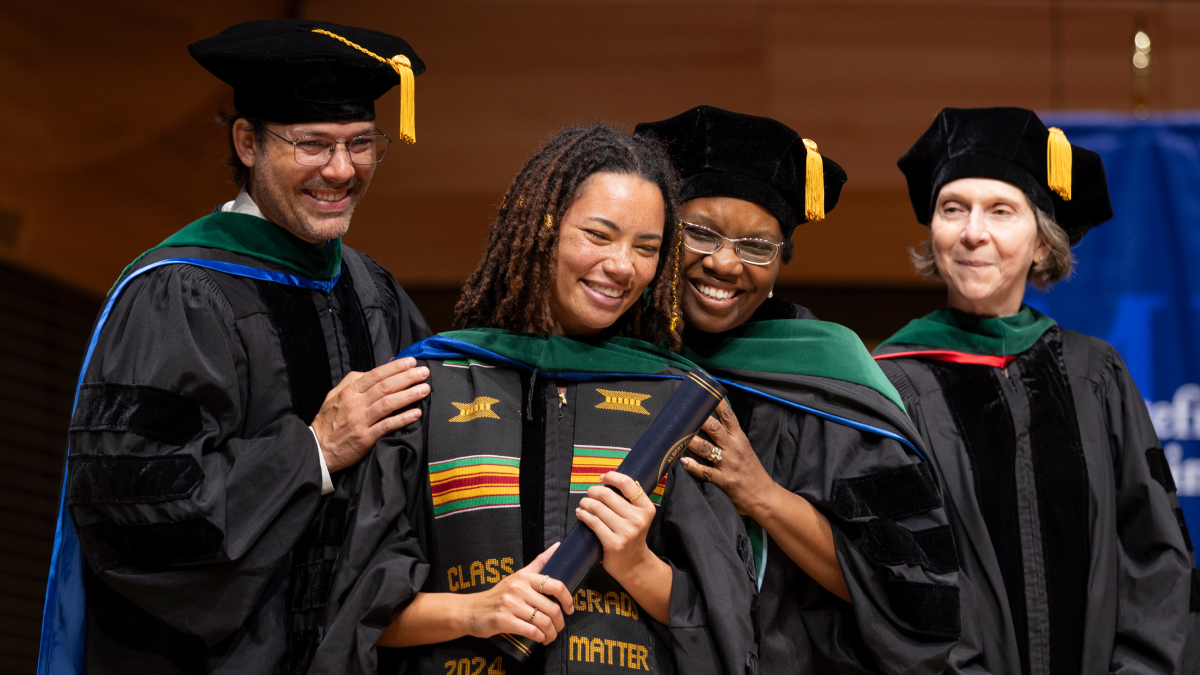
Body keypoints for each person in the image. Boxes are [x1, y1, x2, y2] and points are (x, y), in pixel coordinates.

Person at [38, 19, 435, 675]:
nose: (342, 170)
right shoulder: (177, 293)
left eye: (362, 144)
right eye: (314, 144)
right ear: (248, 142)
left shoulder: (374, 293)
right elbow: (137, 512)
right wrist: (314, 450)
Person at [318, 123, 757, 675]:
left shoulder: (674, 405)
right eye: (598, 236)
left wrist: (637, 564)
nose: (623, 266)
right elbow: (354, 611)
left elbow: (731, 624)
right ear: (543, 227)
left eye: (646, 248)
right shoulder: (434, 385)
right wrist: (474, 612)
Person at [635, 105, 962, 674]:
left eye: (758, 246)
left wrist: (761, 493)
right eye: (701, 233)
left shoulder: (829, 380)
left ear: (781, 260)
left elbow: (905, 592)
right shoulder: (615, 358)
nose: (724, 263)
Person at [872, 106, 1196, 675]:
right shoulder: (892, 383)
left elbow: (1155, 553)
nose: (974, 232)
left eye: (1001, 210)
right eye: (953, 209)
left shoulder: (1095, 374)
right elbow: (894, 579)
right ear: (934, 231)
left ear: (1043, 244)